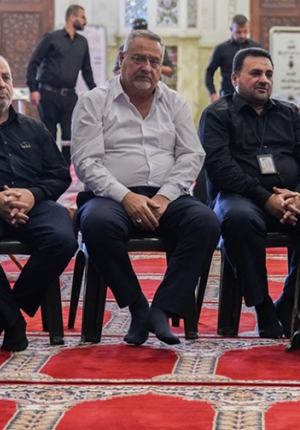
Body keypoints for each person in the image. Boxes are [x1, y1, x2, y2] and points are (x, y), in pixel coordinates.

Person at [71, 30, 220, 346]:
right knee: (96, 224)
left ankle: (162, 309)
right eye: (138, 59)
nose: (147, 68)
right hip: (110, 197)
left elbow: (192, 155)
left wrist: (165, 196)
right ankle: (138, 307)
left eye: (154, 61)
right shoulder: (93, 101)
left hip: (166, 196)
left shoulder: (175, 103)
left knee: (206, 222)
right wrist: (126, 197)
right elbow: (86, 163)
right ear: (122, 59)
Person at [198, 47, 300, 339]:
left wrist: (299, 196)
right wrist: (266, 198)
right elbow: (220, 168)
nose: (264, 79)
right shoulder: (217, 114)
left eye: (268, 74)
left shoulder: (288, 113)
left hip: (293, 197)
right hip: (241, 196)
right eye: (255, 73)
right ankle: (263, 307)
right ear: (235, 78)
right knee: (238, 219)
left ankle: (289, 302)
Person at [0, 54, 77, 351]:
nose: (1, 84)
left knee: (63, 240)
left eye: (6, 78)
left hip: (36, 205)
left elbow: (60, 175)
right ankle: (14, 322)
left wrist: (32, 195)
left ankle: (4, 315)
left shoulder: (34, 128)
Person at [26, 5, 96, 166]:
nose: (85, 21)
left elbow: (87, 70)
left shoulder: (82, 42)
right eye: (83, 17)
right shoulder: (51, 38)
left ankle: (64, 171)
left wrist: (95, 92)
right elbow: (33, 62)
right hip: (48, 93)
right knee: (48, 134)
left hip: (70, 96)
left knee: (69, 135)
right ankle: (48, 169)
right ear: (72, 17)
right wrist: (33, 89)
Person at [204, 14, 261, 103]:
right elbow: (209, 72)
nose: (242, 35)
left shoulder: (256, 48)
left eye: (245, 31)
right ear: (231, 29)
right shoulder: (221, 49)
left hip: (251, 96)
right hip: (228, 96)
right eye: (238, 32)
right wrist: (212, 93)